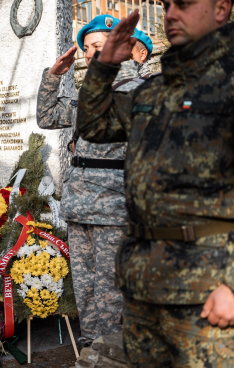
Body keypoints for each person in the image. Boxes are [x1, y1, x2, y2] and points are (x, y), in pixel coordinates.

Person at [76, 4, 234, 366]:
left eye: (185, 3)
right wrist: (106, 65)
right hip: (145, 286)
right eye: (166, 5)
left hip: (210, 289)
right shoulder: (156, 90)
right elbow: (93, 126)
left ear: (222, 9)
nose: (170, 14)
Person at [36, 14, 147, 347]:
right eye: (87, 48)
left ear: (123, 47)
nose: (89, 54)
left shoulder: (136, 90)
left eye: (99, 46)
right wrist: (53, 76)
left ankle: (109, 356)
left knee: (111, 294)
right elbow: (46, 116)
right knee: (85, 292)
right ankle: (89, 353)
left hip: (114, 207)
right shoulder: (87, 95)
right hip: (79, 206)